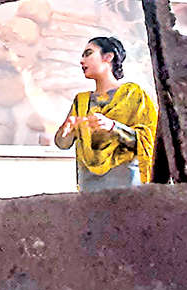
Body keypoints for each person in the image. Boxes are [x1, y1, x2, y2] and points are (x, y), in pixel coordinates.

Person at [54, 36, 157, 191]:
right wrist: (67, 131)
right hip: (89, 187)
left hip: (127, 187)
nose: (82, 61)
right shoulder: (81, 101)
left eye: (88, 54)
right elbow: (63, 144)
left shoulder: (133, 94)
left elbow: (149, 141)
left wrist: (114, 127)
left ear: (108, 57)